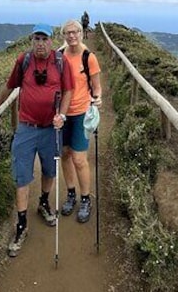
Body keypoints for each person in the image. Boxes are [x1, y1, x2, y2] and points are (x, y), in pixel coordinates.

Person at [0, 23, 74, 257]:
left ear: (51, 41)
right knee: (22, 176)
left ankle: (43, 202)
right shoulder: (24, 61)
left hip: (51, 128)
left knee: (50, 170)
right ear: (31, 41)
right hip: (26, 129)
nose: (40, 43)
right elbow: (8, 87)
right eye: (36, 39)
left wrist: (62, 114)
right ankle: (21, 226)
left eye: (44, 39)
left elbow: (68, 91)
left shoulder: (61, 63)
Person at [58, 19, 103, 223]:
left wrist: (97, 98)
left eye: (75, 32)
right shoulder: (59, 56)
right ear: (63, 35)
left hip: (81, 113)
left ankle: (85, 198)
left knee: (78, 158)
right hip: (62, 114)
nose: (72, 36)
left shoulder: (88, 57)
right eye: (68, 33)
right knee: (65, 154)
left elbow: (97, 86)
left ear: (81, 33)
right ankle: (71, 194)